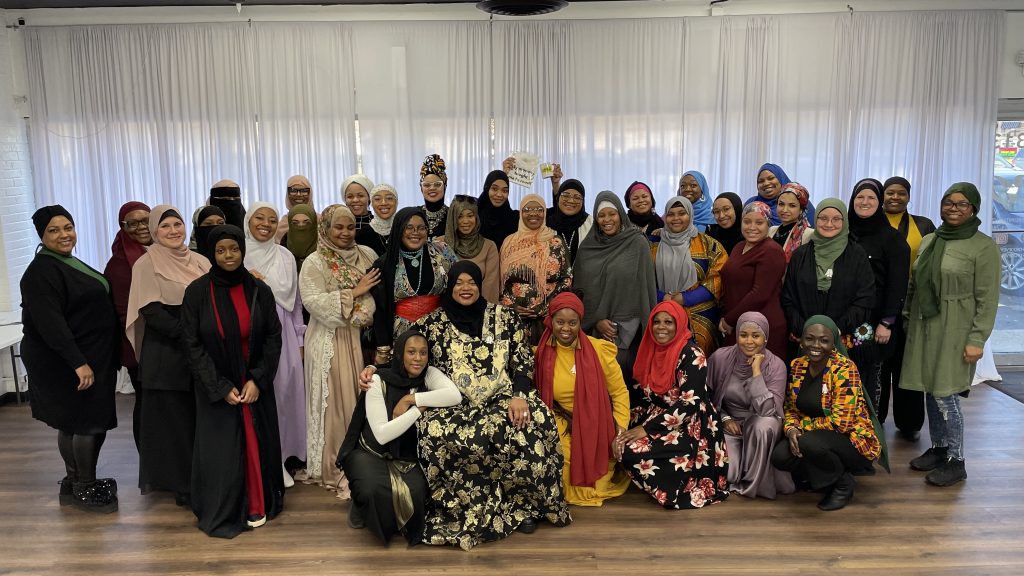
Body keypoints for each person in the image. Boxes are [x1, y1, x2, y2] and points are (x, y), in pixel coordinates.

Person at [404, 261, 571, 549]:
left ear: (480, 285)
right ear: (450, 286)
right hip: (452, 404)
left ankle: (523, 507)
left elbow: (522, 361)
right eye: (459, 283)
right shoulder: (432, 324)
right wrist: (375, 371)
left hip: (504, 398)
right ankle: (459, 509)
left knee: (529, 424)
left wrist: (520, 395)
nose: (465, 288)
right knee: (434, 432)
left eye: (471, 282)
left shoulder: (505, 317)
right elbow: (407, 357)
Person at [181, 225, 285, 538]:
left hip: (253, 384)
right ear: (211, 253)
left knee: (257, 443)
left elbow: (273, 337)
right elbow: (191, 344)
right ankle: (227, 508)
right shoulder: (197, 292)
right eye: (221, 250)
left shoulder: (258, 290)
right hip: (218, 386)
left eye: (234, 249)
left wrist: (257, 379)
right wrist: (220, 386)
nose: (229, 256)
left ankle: (259, 502)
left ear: (242, 250)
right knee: (223, 452)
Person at [900, 183, 1000, 487]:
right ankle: (939, 447)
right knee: (930, 389)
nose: (953, 208)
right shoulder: (931, 239)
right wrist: (907, 318)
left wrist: (976, 339)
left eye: (962, 204)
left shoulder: (983, 247)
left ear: (973, 209)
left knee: (946, 394)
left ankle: (957, 460)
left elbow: (987, 299)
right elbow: (915, 284)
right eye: (948, 202)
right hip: (924, 326)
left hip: (956, 329)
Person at [22, 205, 119, 513]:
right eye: (54, 230)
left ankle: (74, 481)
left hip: (87, 354)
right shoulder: (40, 272)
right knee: (88, 422)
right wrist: (78, 362)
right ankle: (85, 488)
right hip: (67, 359)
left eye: (68, 227)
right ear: (41, 235)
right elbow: (51, 323)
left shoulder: (63, 261)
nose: (64, 235)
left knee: (72, 422)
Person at [337, 329, 462, 545]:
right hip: (370, 452)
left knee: (417, 494)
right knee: (372, 490)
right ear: (400, 354)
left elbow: (454, 395)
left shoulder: (429, 373)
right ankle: (360, 507)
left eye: (423, 353)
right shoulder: (377, 380)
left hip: (405, 455)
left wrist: (410, 399)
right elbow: (382, 434)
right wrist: (419, 409)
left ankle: (379, 515)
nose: (418, 358)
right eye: (411, 352)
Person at [126, 205, 211, 505]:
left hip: (199, 350)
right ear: (153, 231)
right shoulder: (146, 264)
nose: (174, 231)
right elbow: (151, 312)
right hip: (167, 352)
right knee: (174, 423)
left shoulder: (200, 261)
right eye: (165, 227)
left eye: (177, 224)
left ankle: (203, 476)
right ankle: (182, 484)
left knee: (197, 417)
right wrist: (191, 335)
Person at [299, 205, 380, 497]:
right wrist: (354, 293)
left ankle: (364, 460)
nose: (346, 233)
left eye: (350, 227)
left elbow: (378, 295)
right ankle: (336, 461)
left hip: (362, 337)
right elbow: (313, 302)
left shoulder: (367, 255)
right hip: (329, 340)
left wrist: (363, 313)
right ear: (326, 228)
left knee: (363, 398)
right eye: (339, 227)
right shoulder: (314, 261)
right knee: (336, 402)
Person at [618, 301, 730, 509]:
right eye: (657, 322)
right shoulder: (650, 348)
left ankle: (675, 489)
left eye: (668, 322)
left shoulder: (692, 354)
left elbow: (690, 403)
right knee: (615, 435)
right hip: (658, 412)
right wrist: (624, 421)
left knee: (631, 450)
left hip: (690, 423)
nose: (661, 327)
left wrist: (646, 429)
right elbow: (641, 392)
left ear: (679, 324)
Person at [771, 316, 884, 511]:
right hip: (818, 436)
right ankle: (823, 478)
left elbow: (842, 423)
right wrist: (790, 430)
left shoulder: (845, 369)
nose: (816, 345)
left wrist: (802, 428)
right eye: (810, 338)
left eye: (824, 340)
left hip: (853, 440)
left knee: (807, 443)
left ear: (834, 343)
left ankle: (843, 483)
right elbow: (790, 408)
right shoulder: (797, 366)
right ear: (801, 340)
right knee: (780, 456)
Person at [533, 292, 630, 506]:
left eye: (572, 323)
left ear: (580, 323)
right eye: (560, 322)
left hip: (595, 421)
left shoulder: (598, 350)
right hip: (560, 417)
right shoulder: (541, 352)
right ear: (551, 321)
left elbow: (619, 392)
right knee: (562, 457)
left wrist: (620, 430)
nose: (565, 329)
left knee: (595, 487)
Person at [574, 191, 657, 397]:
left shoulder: (637, 243)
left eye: (612, 214)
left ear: (621, 214)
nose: (607, 220)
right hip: (594, 329)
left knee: (621, 382)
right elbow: (580, 291)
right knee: (595, 384)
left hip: (628, 329)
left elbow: (646, 288)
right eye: (601, 215)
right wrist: (596, 321)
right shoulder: (588, 247)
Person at [243, 202, 307, 470]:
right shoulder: (238, 253)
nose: (265, 224)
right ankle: (259, 460)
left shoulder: (285, 256)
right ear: (248, 220)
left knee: (284, 393)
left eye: (271, 219)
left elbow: (296, 303)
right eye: (259, 218)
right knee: (254, 394)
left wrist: (300, 340)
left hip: (284, 334)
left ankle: (283, 457)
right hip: (248, 332)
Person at [706, 312, 794, 499]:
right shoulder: (719, 358)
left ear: (766, 338)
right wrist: (725, 419)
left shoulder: (776, 365)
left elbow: (768, 410)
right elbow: (707, 398)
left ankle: (756, 483)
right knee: (729, 474)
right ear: (736, 335)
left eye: (756, 336)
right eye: (743, 335)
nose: (749, 341)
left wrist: (756, 372)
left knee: (762, 425)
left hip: (763, 422)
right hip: (731, 426)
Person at [781, 198, 875, 361]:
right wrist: (806, 330)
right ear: (815, 219)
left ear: (844, 221)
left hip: (844, 342)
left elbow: (865, 299)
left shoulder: (857, 255)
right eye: (823, 218)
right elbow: (788, 297)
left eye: (836, 219)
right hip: (804, 342)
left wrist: (835, 330)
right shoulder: (800, 255)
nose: (829, 224)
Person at [879, 176, 935, 439]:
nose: (895, 197)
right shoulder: (870, 221)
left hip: (913, 307)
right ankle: (874, 419)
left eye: (901, 193)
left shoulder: (923, 225)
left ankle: (909, 423)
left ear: (909, 196)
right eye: (890, 193)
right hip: (881, 306)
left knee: (908, 365)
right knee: (880, 366)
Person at [846, 179, 910, 409]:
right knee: (846, 373)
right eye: (860, 197)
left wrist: (887, 322)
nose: (865, 202)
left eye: (871, 198)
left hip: (875, 322)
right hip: (846, 319)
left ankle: (873, 427)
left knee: (872, 374)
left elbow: (897, 284)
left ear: (880, 202)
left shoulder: (892, 240)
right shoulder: (843, 233)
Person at [370, 207, 457, 364]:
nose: (415, 232)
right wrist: (383, 348)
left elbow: (459, 282)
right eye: (408, 227)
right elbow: (380, 309)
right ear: (398, 230)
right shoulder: (384, 263)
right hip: (402, 335)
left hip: (441, 329)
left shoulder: (442, 251)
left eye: (421, 228)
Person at [103, 200, 152, 450]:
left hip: (161, 343)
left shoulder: (159, 251)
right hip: (139, 345)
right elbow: (124, 314)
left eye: (146, 220)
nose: (141, 227)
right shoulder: (121, 264)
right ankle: (147, 456)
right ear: (123, 227)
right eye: (132, 223)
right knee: (146, 402)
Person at [652, 196, 727, 355]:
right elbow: (643, 278)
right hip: (662, 313)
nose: (676, 218)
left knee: (697, 361)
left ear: (690, 215)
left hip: (700, 316)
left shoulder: (709, 244)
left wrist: (685, 298)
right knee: (664, 360)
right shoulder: (653, 245)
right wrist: (663, 297)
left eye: (682, 213)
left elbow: (718, 277)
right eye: (671, 214)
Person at [718, 202, 788, 359]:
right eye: (747, 221)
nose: (752, 227)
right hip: (738, 323)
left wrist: (729, 319)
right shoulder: (739, 246)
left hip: (762, 327)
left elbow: (760, 294)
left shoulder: (772, 251)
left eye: (759, 222)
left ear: (768, 224)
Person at [500, 194, 572, 344]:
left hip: (549, 318)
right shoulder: (509, 243)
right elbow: (501, 283)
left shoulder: (556, 242)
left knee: (548, 363)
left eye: (539, 209)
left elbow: (566, 279)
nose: (533, 213)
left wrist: (545, 307)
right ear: (521, 213)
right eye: (527, 209)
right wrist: (513, 307)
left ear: (545, 212)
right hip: (515, 319)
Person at [443, 194, 501, 303]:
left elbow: (490, 287)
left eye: (470, 216)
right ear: (453, 218)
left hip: (479, 312)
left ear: (476, 217)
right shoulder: (440, 245)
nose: (465, 221)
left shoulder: (489, 246)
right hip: (446, 311)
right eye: (460, 216)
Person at [744, 163, 816, 227]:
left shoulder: (800, 201)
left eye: (771, 178)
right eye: (761, 181)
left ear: (781, 179)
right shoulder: (751, 203)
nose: (766, 183)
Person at [546, 172, 593, 264]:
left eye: (577, 197)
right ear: (558, 197)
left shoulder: (591, 224)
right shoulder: (547, 224)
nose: (571, 201)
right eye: (566, 195)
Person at [768, 182, 813, 263]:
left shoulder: (809, 234)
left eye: (792, 206)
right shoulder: (771, 230)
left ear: (801, 209)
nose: (785, 210)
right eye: (781, 204)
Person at [477, 169, 518, 250]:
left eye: (505, 190)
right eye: (494, 189)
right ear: (487, 189)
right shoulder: (474, 216)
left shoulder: (513, 219)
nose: (499, 194)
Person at [356, 183, 399, 257]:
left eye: (389, 198)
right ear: (371, 203)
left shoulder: (405, 229)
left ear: (397, 202)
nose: (384, 203)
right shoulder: (362, 235)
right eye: (377, 199)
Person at [276, 175, 315, 242]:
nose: (299, 194)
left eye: (303, 191)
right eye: (293, 190)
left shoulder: (319, 220)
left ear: (310, 194)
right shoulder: (282, 225)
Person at [419, 154, 449, 240]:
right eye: (427, 185)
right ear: (421, 188)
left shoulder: (453, 215)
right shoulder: (414, 214)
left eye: (437, 184)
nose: (432, 188)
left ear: (445, 186)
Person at [283, 203, 318, 274]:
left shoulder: (325, 249)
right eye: (295, 223)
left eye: (307, 223)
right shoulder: (282, 249)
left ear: (314, 224)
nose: (301, 226)